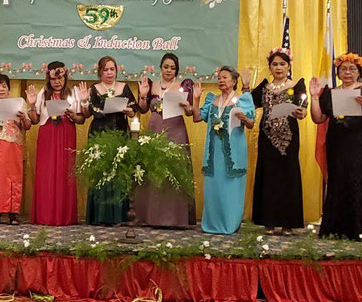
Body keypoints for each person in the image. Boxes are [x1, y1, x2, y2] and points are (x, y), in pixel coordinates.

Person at [310, 53, 362, 241]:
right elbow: (318, 118)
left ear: (359, 72)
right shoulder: (330, 92)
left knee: (358, 181)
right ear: (337, 72)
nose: (347, 72)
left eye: (352, 69)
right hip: (336, 144)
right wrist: (314, 97)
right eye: (343, 69)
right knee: (337, 181)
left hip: (359, 143)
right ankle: (336, 228)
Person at [135, 54, 200, 227]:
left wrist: (188, 107)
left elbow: (189, 113)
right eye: (166, 67)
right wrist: (142, 95)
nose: (168, 70)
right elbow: (142, 109)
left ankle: (175, 218)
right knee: (154, 171)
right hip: (155, 130)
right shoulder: (152, 85)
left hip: (175, 131)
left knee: (174, 172)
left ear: (176, 70)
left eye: (172, 67)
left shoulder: (183, 86)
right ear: (160, 67)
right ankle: (152, 217)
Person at [250, 48, 307, 235]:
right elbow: (249, 102)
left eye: (282, 64)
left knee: (288, 177)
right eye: (274, 64)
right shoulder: (265, 87)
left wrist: (301, 113)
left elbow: (303, 110)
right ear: (269, 67)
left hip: (289, 139)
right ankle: (269, 221)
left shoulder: (297, 85)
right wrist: (244, 85)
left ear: (289, 66)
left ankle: (288, 223)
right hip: (267, 138)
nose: (279, 67)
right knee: (269, 176)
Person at [197, 66, 255, 234]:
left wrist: (244, 118)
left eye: (225, 77)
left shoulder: (242, 99)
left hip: (233, 152)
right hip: (214, 153)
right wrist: (195, 99)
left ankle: (230, 223)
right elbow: (196, 117)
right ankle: (212, 223)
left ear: (234, 81)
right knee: (214, 187)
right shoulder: (211, 100)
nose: (221, 80)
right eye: (219, 77)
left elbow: (251, 123)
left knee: (231, 188)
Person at [27, 61, 86, 226]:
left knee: (65, 173)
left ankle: (64, 215)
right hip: (48, 135)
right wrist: (32, 105)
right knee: (47, 173)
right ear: (49, 79)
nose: (57, 82)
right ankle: (45, 215)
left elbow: (81, 119)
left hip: (67, 133)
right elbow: (34, 120)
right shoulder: (42, 94)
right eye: (54, 79)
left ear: (66, 78)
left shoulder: (73, 93)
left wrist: (74, 116)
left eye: (60, 78)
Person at [85, 56, 138, 226]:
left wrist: (130, 111)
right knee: (101, 172)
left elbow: (134, 106)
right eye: (105, 70)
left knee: (118, 172)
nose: (109, 73)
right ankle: (99, 215)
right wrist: (106, 109)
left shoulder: (124, 87)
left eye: (112, 69)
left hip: (120, 132)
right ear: (100, 72)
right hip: (100, 133)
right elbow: (93, 110)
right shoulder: (95, 89)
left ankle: (118, 215)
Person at [0, 74, 32, 225]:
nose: (1, 89)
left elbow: (28, 126)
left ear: (9, 89)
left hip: (13, 144)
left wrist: (23, 117)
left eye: (4, 86)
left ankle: (13, 213)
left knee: (13, 178)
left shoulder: (19, 103)